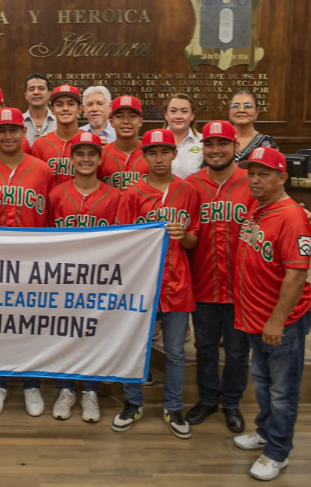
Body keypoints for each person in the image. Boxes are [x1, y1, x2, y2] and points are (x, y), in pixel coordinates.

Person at [0, 107, 55, 418]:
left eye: (13, 129)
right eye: (1, 130)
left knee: (32, 324)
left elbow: (51, 217)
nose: (7, 135)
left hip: (33, 261)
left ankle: (32, 384)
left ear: (23, 132)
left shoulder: (43, 170)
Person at [233, 147, 311, 481]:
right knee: (264, 384)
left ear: (283, 177)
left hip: (282, 320)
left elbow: (296, 275)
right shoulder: (258, 206)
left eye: (263, 173)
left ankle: (277, 452)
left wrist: (277, 321)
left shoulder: (293, 218)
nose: (255, 179)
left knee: (282, 391)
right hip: (255, 314)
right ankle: (266, 431)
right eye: (251, 173)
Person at [112, 129, 200, 439]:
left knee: (175, 351)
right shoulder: (132, 194)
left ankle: (173, 407)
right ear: (144, 156)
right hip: (143, 284)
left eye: (164, 151)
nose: (159, 158)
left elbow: (194, 240)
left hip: (178, 282)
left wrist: (183, 235)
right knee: (135, 347)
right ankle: (132, 403)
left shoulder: (188, 191)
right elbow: (122, 242)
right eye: (152, 152)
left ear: (175, 154)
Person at [47, 131, 121, 422]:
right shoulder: (56, 193)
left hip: (99, 278)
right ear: (72, 158)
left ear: (101, 158)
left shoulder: (115, 195)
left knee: (94, 335)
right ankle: (66, 389)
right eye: (80, 153)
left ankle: (90, 391)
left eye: (92, 153)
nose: (86, 159)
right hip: (64, 277)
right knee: (65, 334)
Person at [184, 120, 252, 434]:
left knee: (238, 349)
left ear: (235, 146)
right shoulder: (192, 184)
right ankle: (208, 398)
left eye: (222, 144)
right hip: (204, 281)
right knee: (206, 345)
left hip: (242, 285)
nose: (215, 150)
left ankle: (232, 403)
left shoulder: (251, 183)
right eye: (209, 144)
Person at [32, 85, 84, 184]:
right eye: (59, 105)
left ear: (80, 109)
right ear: (52, 110)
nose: (65, 108)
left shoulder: (91, 143)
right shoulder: (40, 145)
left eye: (71, 104)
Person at [99, 95, 150, 190]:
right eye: (119, 116)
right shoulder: (101, 155)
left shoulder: (151, 153)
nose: (126, 121)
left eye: (132, 116)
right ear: (112, 122)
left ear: (140, 122)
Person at [229, 90, 278, 162]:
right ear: (229, 111)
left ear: (257, 112)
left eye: (248, 106)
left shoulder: (267, 143)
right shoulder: (219, 139)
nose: (241, 110)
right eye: (235, 106)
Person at [162, 93, 202, 178]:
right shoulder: (154, 142)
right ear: (166, 115)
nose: (178, 116)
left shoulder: (203, 142)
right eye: (173, 111)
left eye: (184, 111)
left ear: (192, 116)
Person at [22, 73, 56, 145]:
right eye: (31, 89)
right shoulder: (18, 122)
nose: (36, 92)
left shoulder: (59, 122)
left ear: (49, 94)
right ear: (25, 95)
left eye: (41, 88)